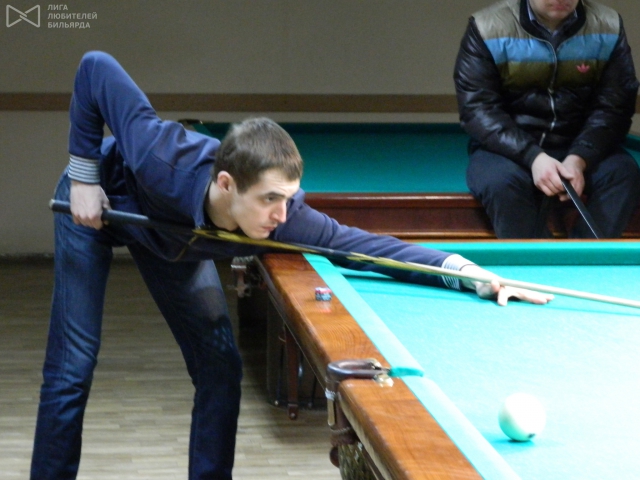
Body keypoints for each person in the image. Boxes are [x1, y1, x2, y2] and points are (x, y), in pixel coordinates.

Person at [31, 51, 552, 480]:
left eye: (288, 198)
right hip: (99, 206)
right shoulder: (157, 156)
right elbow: (95, 67)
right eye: (270, 199)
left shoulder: (284, 219)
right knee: (73, 368)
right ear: (226, 185)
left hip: (175, 241)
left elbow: (366, 248)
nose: (282, 216)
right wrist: (84, 176)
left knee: (220, 369)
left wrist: (466, 273)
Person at [454, 0, 640, 238]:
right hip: (508, 150)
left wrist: (579, 158)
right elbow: (478, 109)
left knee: (624, 175)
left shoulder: (608, 25)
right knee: (500, 183)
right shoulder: (486, 27)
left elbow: (615, 107)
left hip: (581, 146)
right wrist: (534, 157)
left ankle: (586, 258)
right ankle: (537, 260)